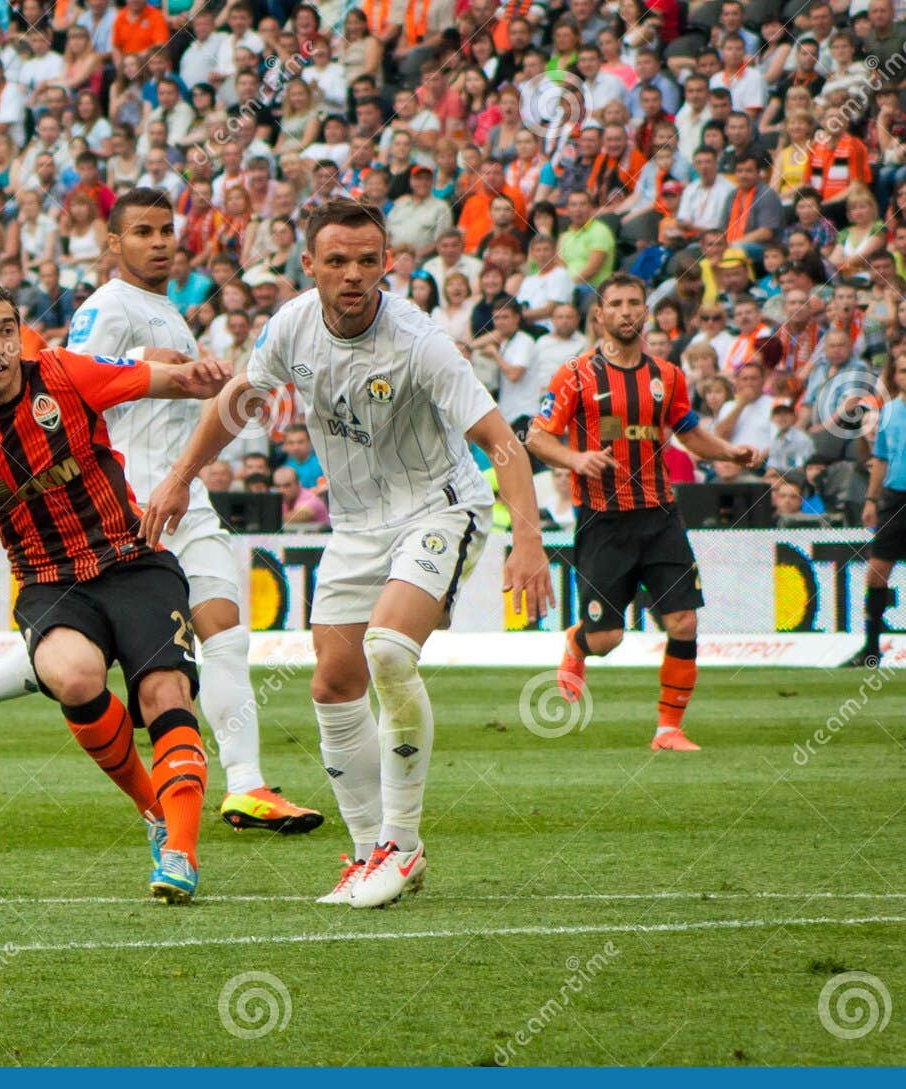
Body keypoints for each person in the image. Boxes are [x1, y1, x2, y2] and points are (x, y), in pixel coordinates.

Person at [143, 201, 554, 910]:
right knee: (334, 684)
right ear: (310, 266)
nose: (354, 274)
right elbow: (237, 403)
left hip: (439, 506)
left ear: (388, 262)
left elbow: (504, 443)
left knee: (388, 650)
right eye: (337, 260)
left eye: (369, 259)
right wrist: (181, 476)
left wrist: (529, 540)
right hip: (356, 524)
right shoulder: (293, 325)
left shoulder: (421, 341)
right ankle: (365, 852)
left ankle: (402, 841)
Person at [0, 189, 321, 834]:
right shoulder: (107, 307)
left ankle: (246, 787)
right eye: (142, 231)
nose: (160, 242)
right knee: (108, 652)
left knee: (221, 629)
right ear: (114, 244)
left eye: (166, 230)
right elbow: (67, 380)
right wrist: (147, 366)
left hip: (182, 494)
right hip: (133, 500)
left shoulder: (162, 307)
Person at [0, 281, 234, 905]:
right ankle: (154, 814)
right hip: (51, 582)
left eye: (7, 329)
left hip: (133, 560)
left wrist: (203, 377)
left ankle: (181, 852)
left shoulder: (65, 374)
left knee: (164, 692)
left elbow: (165, 381)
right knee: (74, 678)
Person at [526, 275, 765, 752]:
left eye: (635, 302)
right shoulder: (575, 374)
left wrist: (728, 453)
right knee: (608, 637)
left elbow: (688, 431)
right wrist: (575, 459)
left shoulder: (668, 375)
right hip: (604, 519)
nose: (627, 311)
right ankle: (577, 643)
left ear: (646, 311)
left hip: (660, 515)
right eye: (616, 304)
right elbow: (537, 437)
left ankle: (668, 730)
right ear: (600, 316)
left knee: (683, 623)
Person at [854, 379, 906, 665]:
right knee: (877, 571)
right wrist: (871, 500)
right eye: (903, 370)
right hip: (896, 498)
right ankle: (871, 648)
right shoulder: (889, 413)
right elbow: (881, 459)